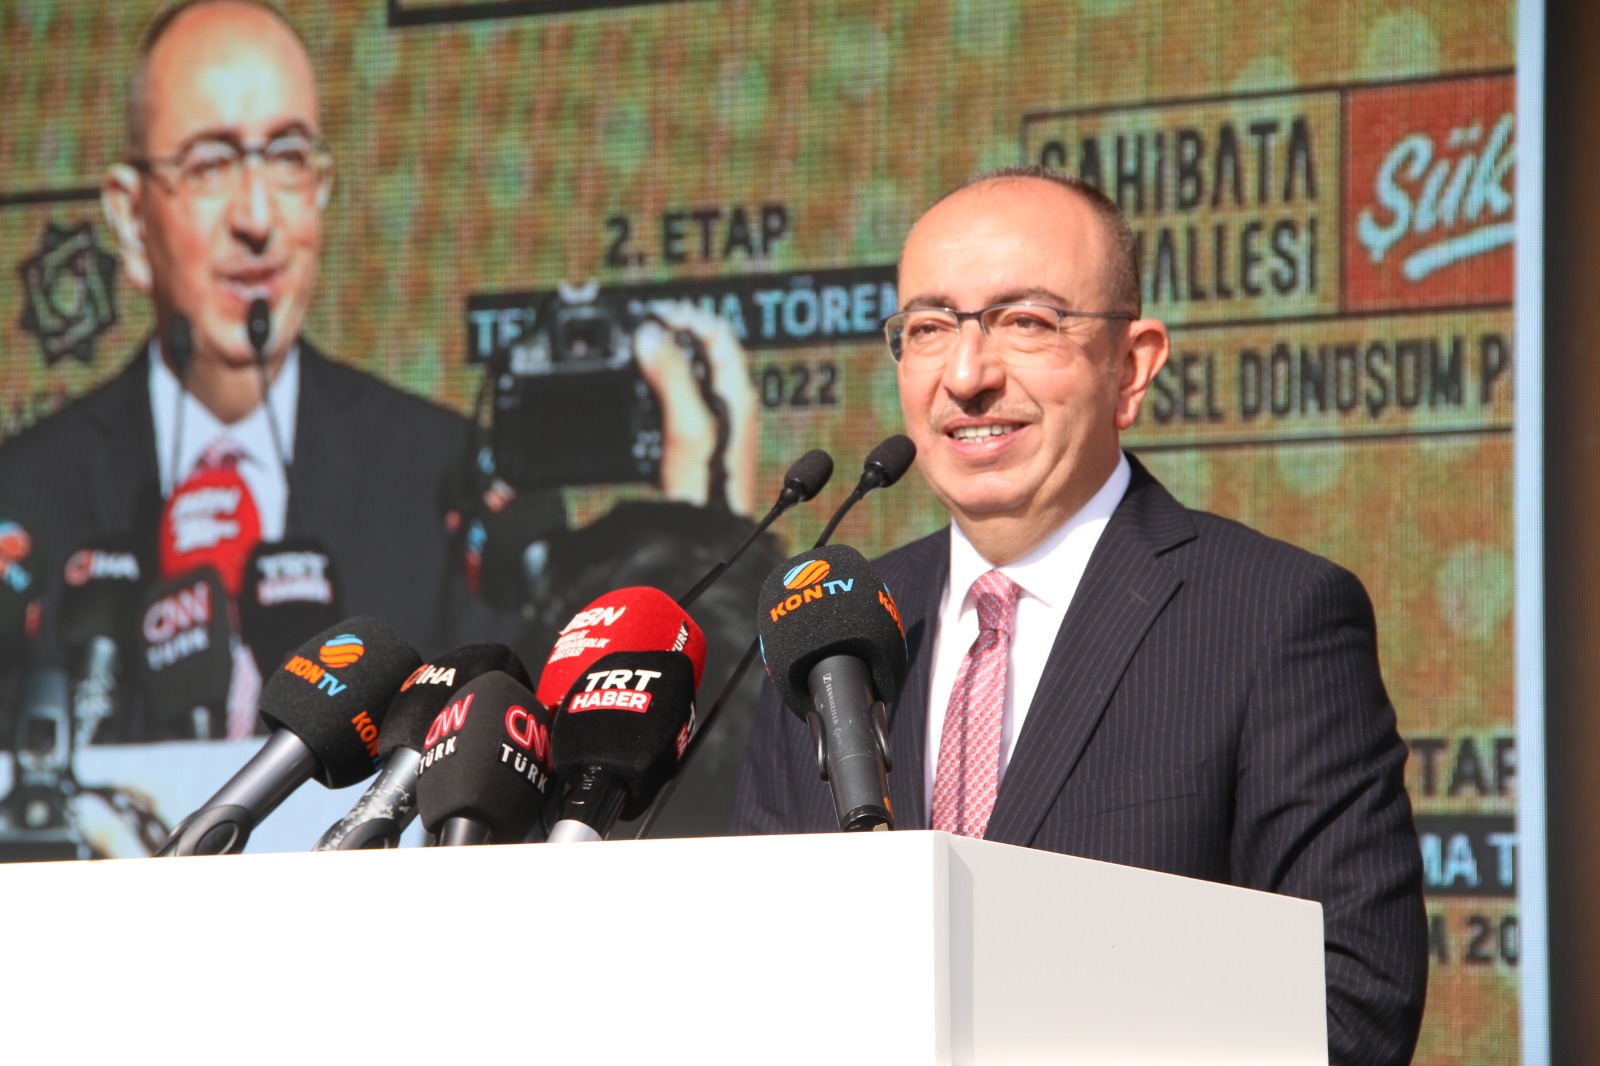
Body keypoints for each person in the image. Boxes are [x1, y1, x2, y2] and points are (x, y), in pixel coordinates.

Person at [733, 167, 1428, 1066]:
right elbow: (755, 978)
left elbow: (1351, 1006)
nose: (967, 377)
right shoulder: (827, 624)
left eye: (1025, 322)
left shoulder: (1274, 617)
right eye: (929, 328)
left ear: (1131, 367)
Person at [0, 0, 759, 744]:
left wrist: (701, 538)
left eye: (289, 158)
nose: (257, 219)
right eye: (210, 165)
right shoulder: (23, 495)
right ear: (131, 220)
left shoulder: (444, 482)